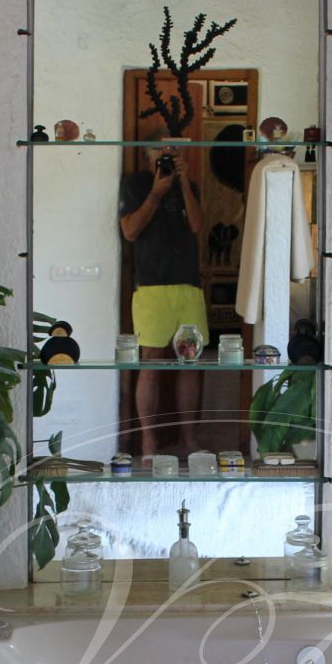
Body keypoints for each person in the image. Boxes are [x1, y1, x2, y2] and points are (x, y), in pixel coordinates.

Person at [118, 120, 206, 455]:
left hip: (188, 285)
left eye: (173, 149)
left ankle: (188, 438)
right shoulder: (136, 185)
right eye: (160, 149)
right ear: (147, 155)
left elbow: (197, 225)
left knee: (190, 361)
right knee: (151, 361)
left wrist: (182, 184)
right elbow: (130, 231)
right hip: (151, 285)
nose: (167, 155)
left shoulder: (190, 186)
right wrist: (156, 193)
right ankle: (150, 443)